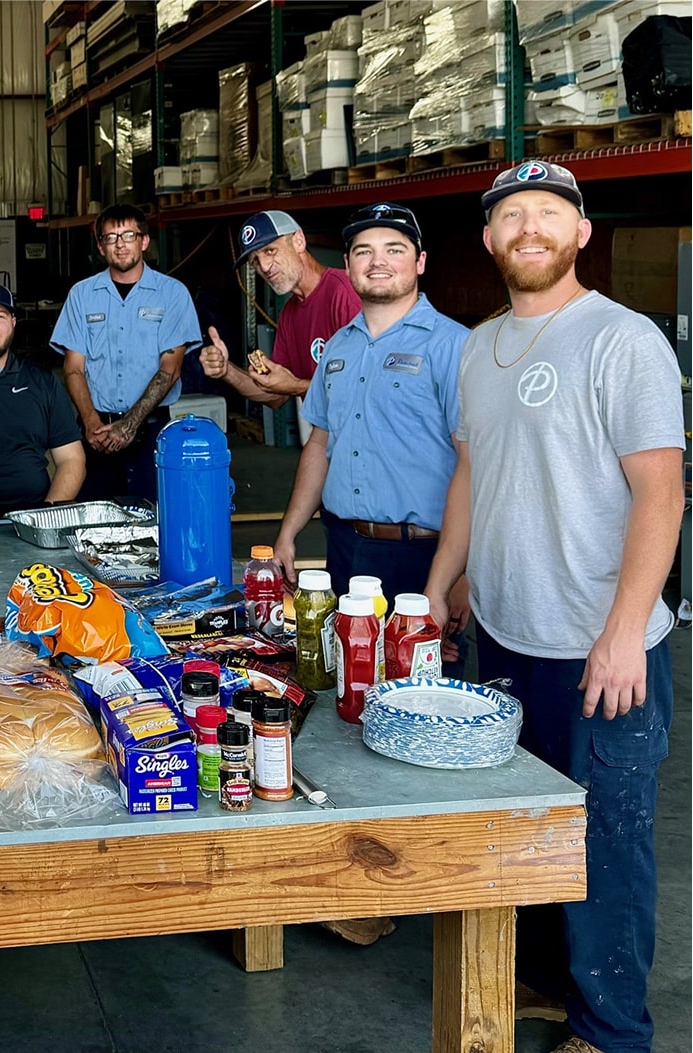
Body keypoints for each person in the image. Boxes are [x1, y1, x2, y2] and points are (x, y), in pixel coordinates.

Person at [424, 160, 684, 1053]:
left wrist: (622, 633)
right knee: (523, 824)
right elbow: (473, 474)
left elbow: (662, 494)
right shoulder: (478, 347)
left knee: (606, 842)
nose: (528, 227)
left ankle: (611, 1031)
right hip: (505, 636)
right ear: (488, 238)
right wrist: (444, 580)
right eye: (511, 215)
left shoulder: (621, 339)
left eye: (548, 212)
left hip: (598, 646)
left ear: (580, 232)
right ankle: (541, 979)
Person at [272, 203, 471, 676]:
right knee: (350, 685)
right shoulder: (338, 346)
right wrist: (288, 532)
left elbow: (476, 464)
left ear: (420, 262)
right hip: (345, 549)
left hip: (422, 558)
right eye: (364, 251)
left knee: (420, 699)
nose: (378, 261)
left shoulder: (454, 346)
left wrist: (461, 576)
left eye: (394, 249)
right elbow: (319, 444)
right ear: (348, 265)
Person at [49, 204, 201, 502]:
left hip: (153, 432)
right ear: (100, 247)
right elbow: (74, 368)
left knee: (155, 516)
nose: (120, 244)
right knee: (94, 521)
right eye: (111, 237)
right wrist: (91, 423)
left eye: (129, 235)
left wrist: (129, 425)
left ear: (144, 241)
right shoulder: (82, 295)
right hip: (96, 434)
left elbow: (170, 369)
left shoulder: (172, 294)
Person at [201, 210, 359, 445]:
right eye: (255, 260)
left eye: (270, 251)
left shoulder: (345, 293)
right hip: (327, 440)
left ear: (299, 241)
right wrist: (227, 371)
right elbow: (276, 395)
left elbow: (363, 389)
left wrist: (295, 386)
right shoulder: (289, 314)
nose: (264, 267)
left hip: (363, 441)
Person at [0, 281, 84, 516]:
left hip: (32, 515)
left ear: (13, 323)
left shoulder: (42, 382)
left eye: (0, 316)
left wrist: (44, 518)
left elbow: (71, 460)